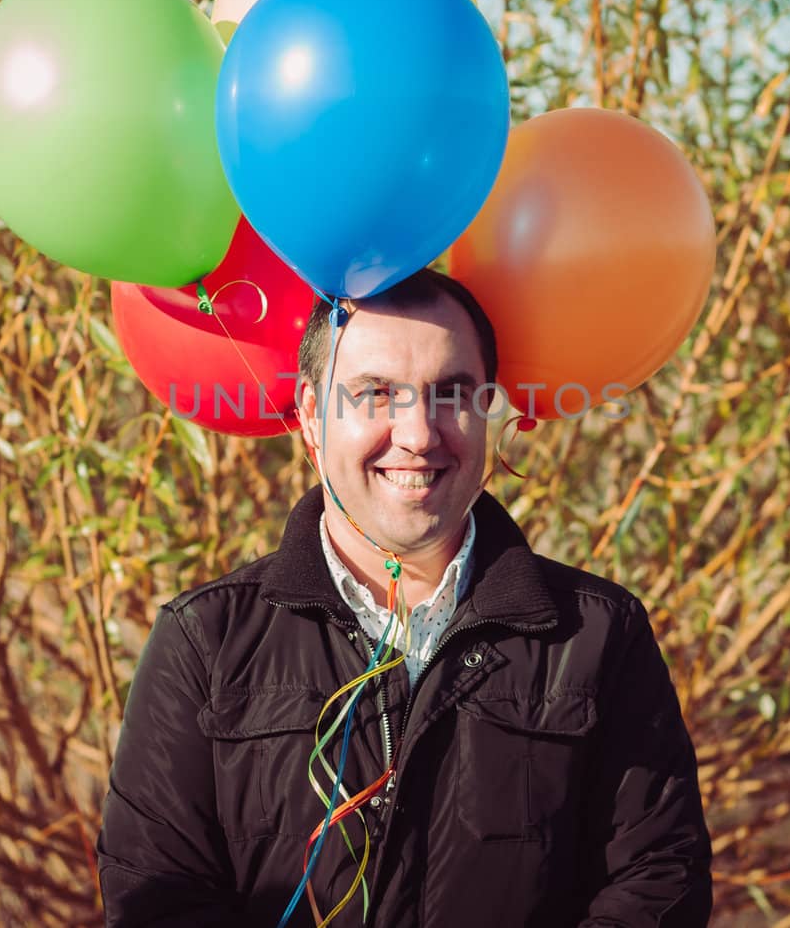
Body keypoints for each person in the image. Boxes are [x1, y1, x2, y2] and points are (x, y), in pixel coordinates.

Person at [97, 269, 712, 927]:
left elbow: (657, 884)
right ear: (310, 414)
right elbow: (155, 897)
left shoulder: (596, 637)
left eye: (452, 392)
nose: (418, 433)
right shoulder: (205, 642)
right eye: (375, 393)